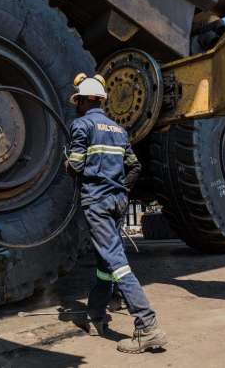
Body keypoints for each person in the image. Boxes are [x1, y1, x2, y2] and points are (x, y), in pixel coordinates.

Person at [65, 73, 167, 353]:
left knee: (116, 262)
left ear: (87, 100)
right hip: (117, 202)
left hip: (96, 202)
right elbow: (135, 167)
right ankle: (97, 317)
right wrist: (119, 189)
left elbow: (74, 165)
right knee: (105, 263)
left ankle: (147, 326)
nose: (76, 106)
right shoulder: (118, 130)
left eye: (78, 101)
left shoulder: (81, 125)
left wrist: (68, 165)